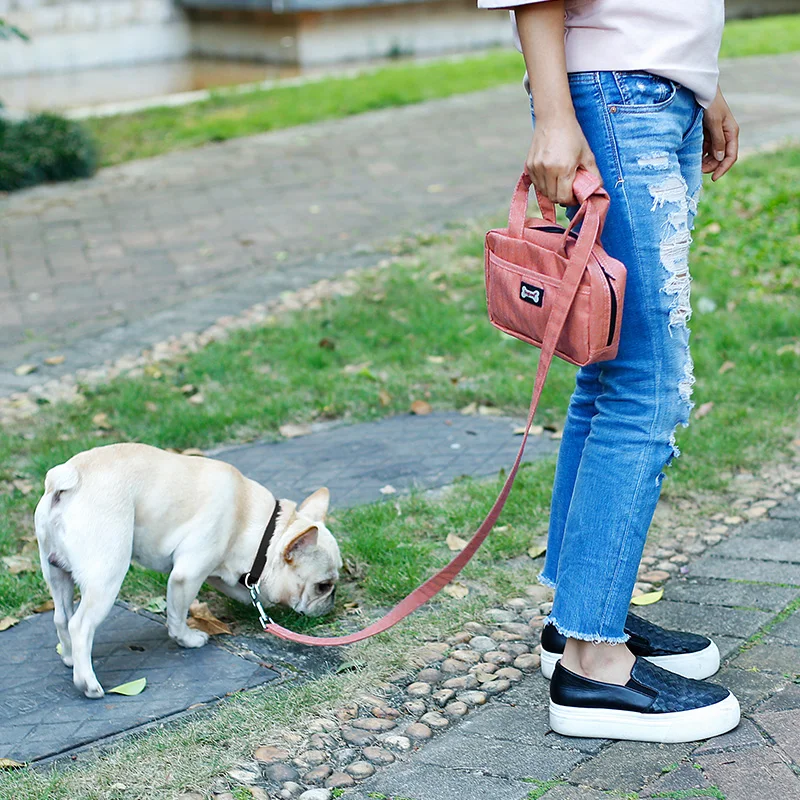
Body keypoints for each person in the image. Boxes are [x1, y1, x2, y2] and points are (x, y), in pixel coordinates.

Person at [477, 0, 742, 742]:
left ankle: (578, 621)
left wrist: (700, 82)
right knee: (649, 387)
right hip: (617, 93)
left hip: (657, 88)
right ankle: (593, 668)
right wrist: (554, 117)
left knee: (612, 365)